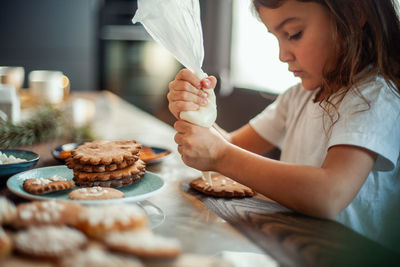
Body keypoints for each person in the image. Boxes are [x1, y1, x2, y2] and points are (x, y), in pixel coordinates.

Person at [167, 0, 400, 252]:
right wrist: (195, 112)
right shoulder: (298, 97)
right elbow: (232, 146)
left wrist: (219, 154)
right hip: (296, 249)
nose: (282, 55)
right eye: (276, 37)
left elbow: (330, 194)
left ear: (355, 13)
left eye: (293, 34)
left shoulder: (376, 98)